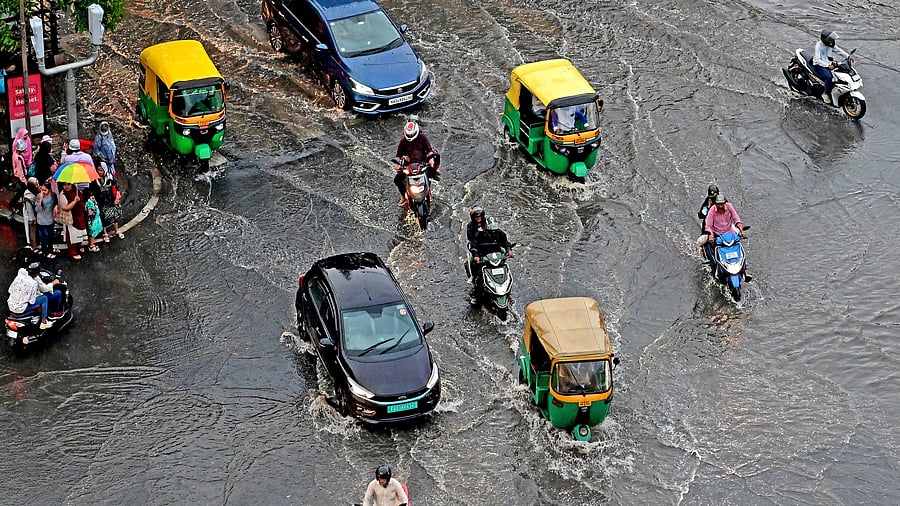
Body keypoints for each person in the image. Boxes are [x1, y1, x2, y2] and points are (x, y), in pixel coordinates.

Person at [705, 194, 752, 281]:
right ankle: (716, 266)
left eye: (722, 204)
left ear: (724, 203)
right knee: (704, 242)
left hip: (730, 232)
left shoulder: (729, 207)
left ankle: (745, 271)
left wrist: (741, 231)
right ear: (715, 204)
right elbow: (708, 225)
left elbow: (736, 219)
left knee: (739, 249)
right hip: (717, 234)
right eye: (718, 204)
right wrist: (711, 235)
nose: (720, 206)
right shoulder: (712, 210)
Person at [393, 117, 439, 206]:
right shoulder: (403, 141)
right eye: (408, 135)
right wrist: (398, 163)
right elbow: (398, 155)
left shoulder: (422, 137)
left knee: (428, 175)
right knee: (397, 180)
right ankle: (404, 197)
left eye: (411, 135)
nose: (410, 137)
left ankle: (428, 192)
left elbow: (429, 150)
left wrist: (431, 159)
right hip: (409, 165)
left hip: (421, 163)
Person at [7, 262, 62, 329]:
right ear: (36, 274)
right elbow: (32, 301)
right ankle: (44, 322)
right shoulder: (33, 283)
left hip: (11, 305)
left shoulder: (20, 273)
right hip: (21, 308)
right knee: (44, 298)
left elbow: (10, 290)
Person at [812, 29, 851, 104]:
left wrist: (848, 56)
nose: (832, 41)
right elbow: (817, 59)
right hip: (819, 65)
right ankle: (825, 94)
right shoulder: (819, 46)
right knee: (829, 77)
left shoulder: (830, 44)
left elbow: (838, 50)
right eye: (830, 40)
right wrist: (827, 65)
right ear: (825, 40)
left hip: (828, 62)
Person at [90, 161, 124, 240]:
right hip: (100, 201)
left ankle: (116, 230)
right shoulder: (94, 180)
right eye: (98, 170)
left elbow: (116, 187)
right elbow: (91, 191)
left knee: (115, 215)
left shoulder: (110, 177)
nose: (100, 172)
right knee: (103, 217)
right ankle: (105, 233)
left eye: (102, 170)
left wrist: (116, 197)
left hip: (111, 200)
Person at [57, 182, 86, 260]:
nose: (66, 187)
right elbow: (65, 208)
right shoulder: (63, 195)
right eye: (64, 185)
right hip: (70, 218)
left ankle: (78, 247)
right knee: (70, 235)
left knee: (79, 233)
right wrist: (75, 201)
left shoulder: (76, 190)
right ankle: (72, 252)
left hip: (79, 216)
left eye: (68, 184)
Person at [35, 182, 57, 259]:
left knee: (51, 236)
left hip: (50, 219)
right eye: (41, 190)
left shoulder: (53, 195)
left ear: (49, 190)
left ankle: (50, 249)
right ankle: (45, 252)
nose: (43, 192)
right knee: (44, 237)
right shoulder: (38, 196)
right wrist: (40, 200)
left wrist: (56, 207)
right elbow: (37, 210)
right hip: (42, 220)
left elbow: (55, 203)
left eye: (45, 190)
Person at [10, 138, 29, 210]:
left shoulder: (14, 154)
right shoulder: (19, 159)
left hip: (17, 175)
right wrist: (25, 181)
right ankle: (13, 203)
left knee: (20, 191)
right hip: (20, 177)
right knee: (21, 192)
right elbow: (21, 171)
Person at [82, 188, 103, 252]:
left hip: (94, 220)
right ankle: (91, 245)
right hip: (93, 221)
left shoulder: (89, 201)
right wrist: (94, 211)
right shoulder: (88, 202)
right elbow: (89, 212)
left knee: (92, 233)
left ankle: (91, 244)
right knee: (92, 233)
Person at [22, 177, 40, 250]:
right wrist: (33, 219)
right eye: (36, 184)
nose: (38, 185)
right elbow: (29, 209)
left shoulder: (34, 191)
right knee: (31, 229)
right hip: (30, 215)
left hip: (35, 213)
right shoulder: (28, 195)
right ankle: (33, 246)